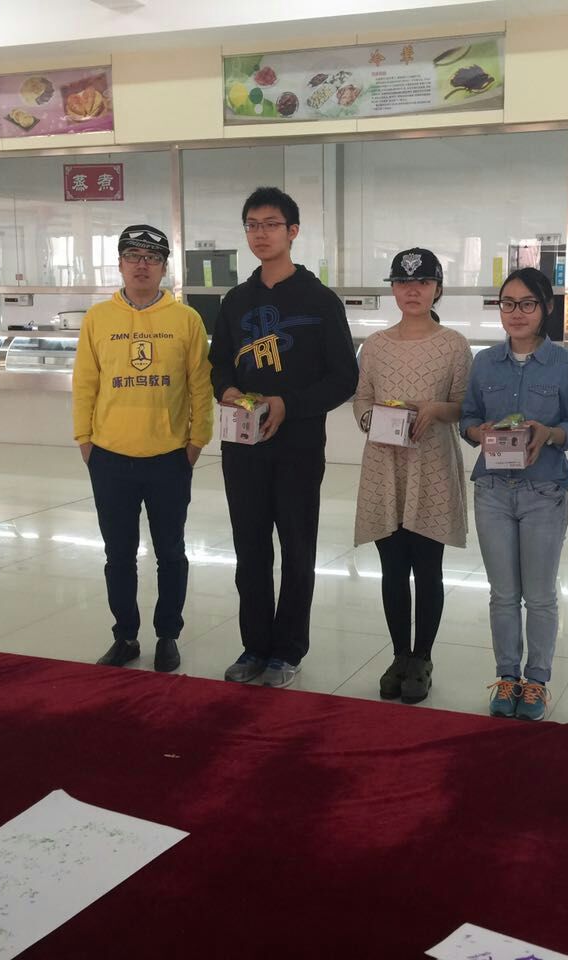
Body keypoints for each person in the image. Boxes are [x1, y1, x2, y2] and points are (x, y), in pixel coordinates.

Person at [209, 187, 357, 689]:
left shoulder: (319, 301)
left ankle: (288, 650)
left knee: (296, 547)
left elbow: (344, 378)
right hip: (242, 445)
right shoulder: (235, 301)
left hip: (298, 446)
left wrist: (288, 404)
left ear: (293, 231)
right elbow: (218, 364)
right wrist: (228, 390)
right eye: (252, 225)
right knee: (249, 548)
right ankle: (254, 645)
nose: (261, 234)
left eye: (271, 224)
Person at [72, 224, 213, 671]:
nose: (141, 265)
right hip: (110, 457)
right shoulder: (98, 319)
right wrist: (85, 440)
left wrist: (196, 441)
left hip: (169, 458)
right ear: (119, 263)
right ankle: (126, 635)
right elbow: (85, 384)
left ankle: (168, 634)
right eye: (133, 256)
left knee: (170, 552)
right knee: (119, 554)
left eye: (151, 257)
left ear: (164, 267)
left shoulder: (185, 320)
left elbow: (200, 386)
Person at [460, 267, 568, 721]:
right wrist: (480, 431)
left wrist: (549, 433)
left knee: (540, 595)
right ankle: (507, 676)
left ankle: (537, 681)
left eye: (527, 303)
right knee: (503, 594)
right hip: (493, 490)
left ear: (545, 308)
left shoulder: (565, 365)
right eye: (507, 303)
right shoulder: (484, 363)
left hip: (543, 491)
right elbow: (467, 418)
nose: (516, 313)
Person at [352, 248, 471, 704]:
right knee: (392, 568)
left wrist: (436, 409)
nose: (412, 290)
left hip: (431, 465)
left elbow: (464, 407)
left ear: (437, 288)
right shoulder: (375, 346)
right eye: (403, 283)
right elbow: (362, 399)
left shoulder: (454, 345)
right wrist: (372, 420)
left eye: (422, 282)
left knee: (427, 567)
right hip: (385, 465)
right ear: (393, 290)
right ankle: (399, 655)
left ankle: (423, 657)